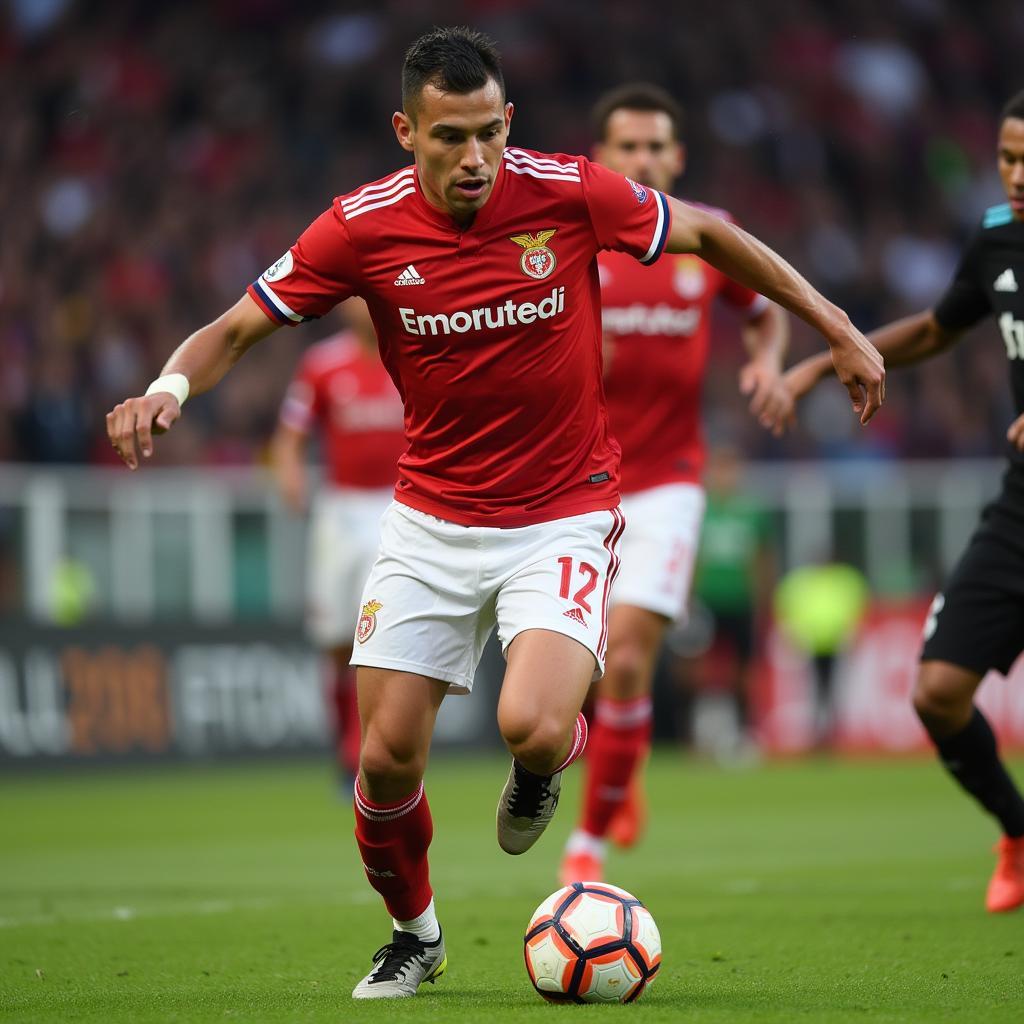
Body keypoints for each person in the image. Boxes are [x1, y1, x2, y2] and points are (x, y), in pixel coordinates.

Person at [106, 27, 884, 998]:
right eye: (448, 139)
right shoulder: (358, 226)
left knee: (530, 723)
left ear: (507, 119)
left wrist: (840, 327)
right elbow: (238, 325)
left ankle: (548, 763)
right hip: (426, 520)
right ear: (406, 131)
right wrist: (167, 387)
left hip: (560, 511)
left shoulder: (565, 191)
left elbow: (712, 234)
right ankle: (414, 933)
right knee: (385, 759)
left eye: (487, 133)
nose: (473, 159)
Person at [779, 89, 1024, 911]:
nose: (1016, 176)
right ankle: (1017, 833)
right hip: (1020, 503)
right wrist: (829, 357)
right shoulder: (997, 239)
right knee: (937, 692)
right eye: (1007, 158)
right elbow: (937, 329)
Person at [559, 83, 792, 885]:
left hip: (668, 480)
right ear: (601, 160)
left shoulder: (705, 237)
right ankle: (619, 766)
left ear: (679, 157)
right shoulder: (575, 240)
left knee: (626, 660)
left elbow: (763, 309)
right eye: (628, 148)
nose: (645, 160)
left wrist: (765, 360)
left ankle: (585, 846)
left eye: (658, 147)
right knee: (575, 669)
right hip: (572, 482)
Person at [269, 297, 406, 786]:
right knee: (333, 639)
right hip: (340, 512)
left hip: (399, 508)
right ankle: (344, 740)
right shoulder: (323, 365)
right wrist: (289, 475)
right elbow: (290, 435)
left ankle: (360, 752)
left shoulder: (412, 352)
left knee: (377, 634)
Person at [690, 444, 776, 756]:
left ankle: (743, 735)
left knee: (743, 672)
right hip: (707, 602)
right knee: (698, 672)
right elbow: (691, 559)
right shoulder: (701, 509)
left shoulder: (751, 511)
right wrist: (687, 598)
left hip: (741, 601)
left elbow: (762, 558)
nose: (726, 476)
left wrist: (764, 600)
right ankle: (697, 736)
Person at [772, 554, 869, 750]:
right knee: (811, 693)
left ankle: (832, 734)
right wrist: (792, 635)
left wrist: (853, 633)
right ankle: (815, 734)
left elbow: (858, 608)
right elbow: (785, 608)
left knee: (835, 691)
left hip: (837, 644)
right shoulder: (802, 582)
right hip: (809, 646)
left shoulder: (843, 580)